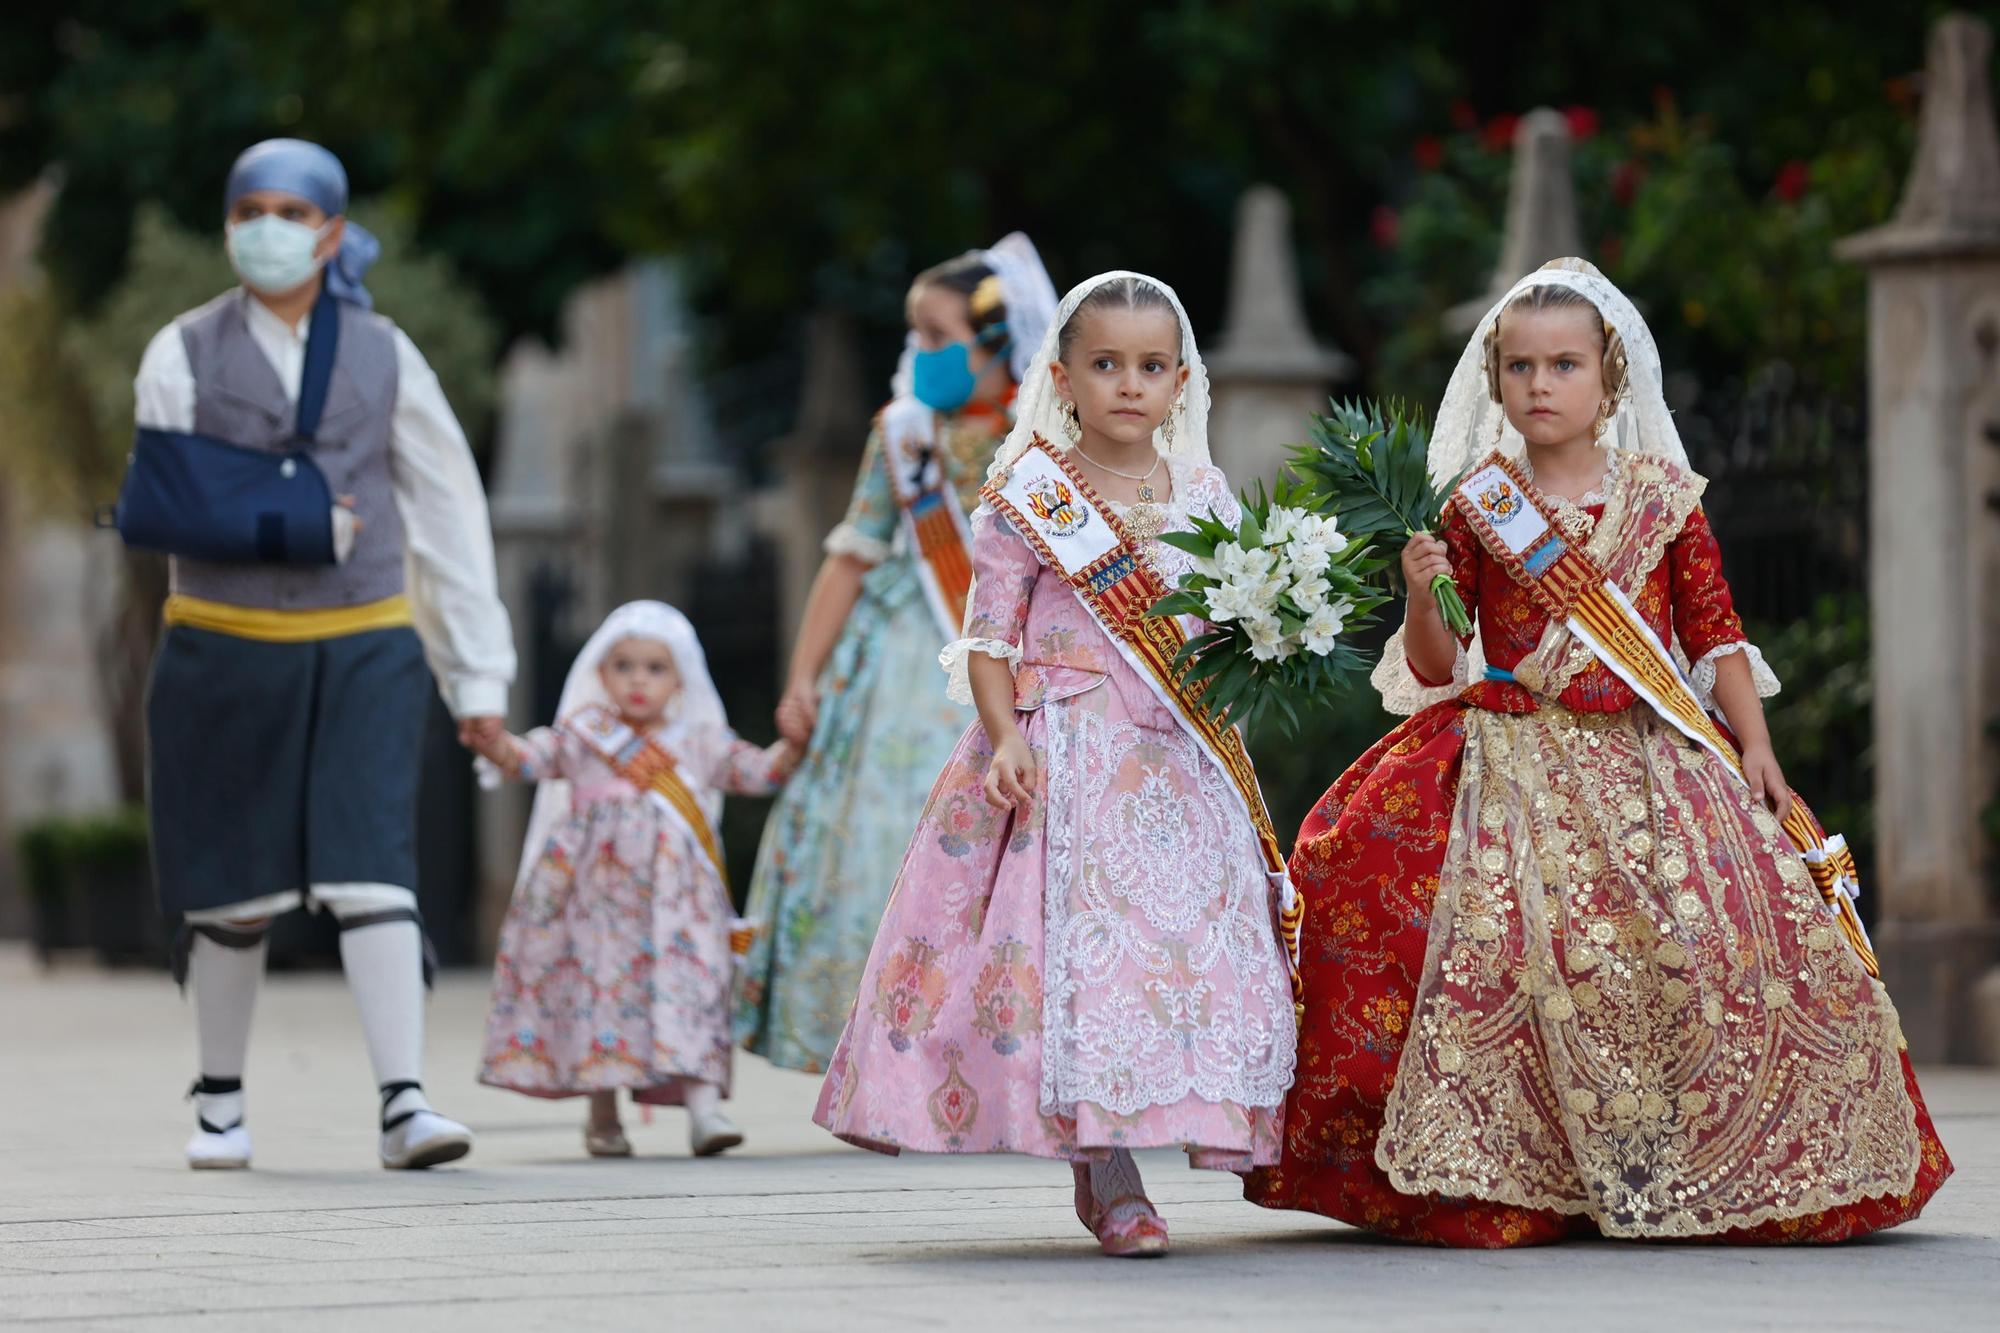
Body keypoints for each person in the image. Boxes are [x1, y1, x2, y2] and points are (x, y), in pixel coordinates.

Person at [1243, 258, 1951, 1244]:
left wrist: (1754, 747)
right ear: (1494, 382)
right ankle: (1508, 1175)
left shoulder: (1664, 497)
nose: (1540, 383)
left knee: (1699, 947)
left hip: (1651, 757)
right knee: (1454, 933)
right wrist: (1419, 589)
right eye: (1521, 366)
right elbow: (1437, 662)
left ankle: (1682, 1159)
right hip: (1505, 748)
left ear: (1608, 381)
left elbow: (1713, 633)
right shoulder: (1474, 506)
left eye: (1563, 364)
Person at [814, 272, 1297, 1258]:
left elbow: (1226, 627)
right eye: (1105, 364)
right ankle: (1105, 1173)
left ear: (1179, 381)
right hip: (1066, 747)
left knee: (1187, 954)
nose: (1128, 383)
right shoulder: (1027, 491)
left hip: (1180, 755)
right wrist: (1003, 738)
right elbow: (987, 637)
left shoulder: (1202, 492)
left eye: (1150, 366)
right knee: (1081, 958)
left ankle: (1215, 1118)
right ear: (1065, 376)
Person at [138, 138, 515, 1171]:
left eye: (292, 213)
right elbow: (170, 503)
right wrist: (296, 521)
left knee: (371, 867)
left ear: (333, 232)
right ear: (227, 224)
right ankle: (219, 1103)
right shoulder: (180, 351)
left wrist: (475, 676)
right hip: (221, 645)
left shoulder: (387, 353)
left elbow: (447, 513)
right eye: (250, 209)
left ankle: (405, 1104)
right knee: (230, 887)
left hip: (364, 643)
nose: (268, 229)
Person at [735, 235, 1057, 1072]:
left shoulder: (1048, 435)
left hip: (1018, 659)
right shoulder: (902, 435)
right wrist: (803, 677)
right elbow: (851, 555)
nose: (919, 352)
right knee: (883, 841)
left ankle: (996, 1044)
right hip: (897, 665)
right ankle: (886, 1048)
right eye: (914, 333)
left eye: (936, 333)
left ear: (995, 338)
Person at [472, 601, 800, 1157]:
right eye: (623, 666)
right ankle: (603, 1114)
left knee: (691, 989)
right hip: (594, 902)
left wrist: (796, 744)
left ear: (680, 679)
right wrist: (493, 742)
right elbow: (528, 758)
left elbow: (757, 772)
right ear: (600, 674)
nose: (638, 680)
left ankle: (705, 1111)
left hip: (681, 904)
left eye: (654, 667)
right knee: (599, 992)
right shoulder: (582, 736)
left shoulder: (700, 740)